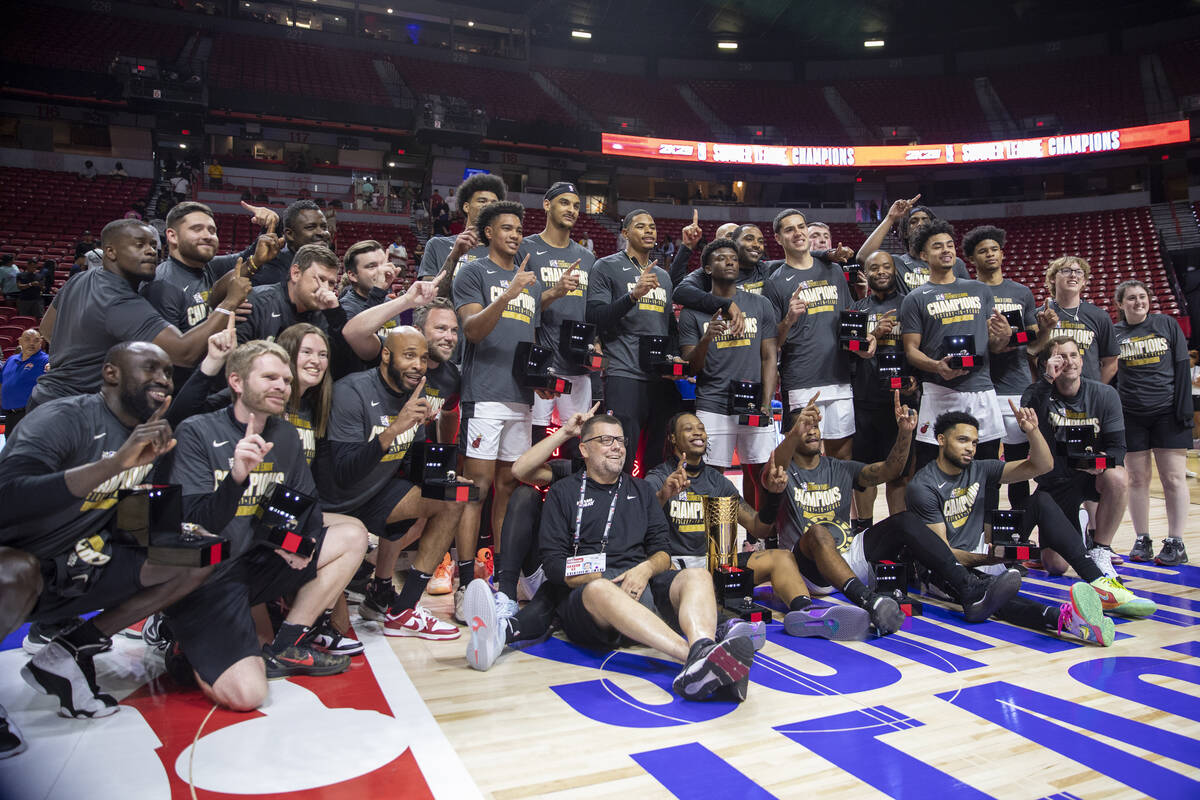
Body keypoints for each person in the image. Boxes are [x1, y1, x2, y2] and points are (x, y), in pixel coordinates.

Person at [0, 342, 213, 718]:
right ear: (111, 373)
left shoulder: (151, 436)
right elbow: (8, 497)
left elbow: (125, 521)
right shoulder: (63, 418)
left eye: (167, 372)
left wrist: (167, 524)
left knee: (199, 556)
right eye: (150, 368)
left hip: (75, 566)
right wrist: (114, 465)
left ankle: (69, 652)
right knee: (15, 570)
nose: (163, 379)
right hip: (18, 565)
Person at [164, 341, 368, 709]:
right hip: (208, 576)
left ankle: (285, 646)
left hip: (256, 561)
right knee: (249, 696)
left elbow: (308, 509)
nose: (282, 386)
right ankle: (181, 641)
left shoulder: (285, 436)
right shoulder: (197, 431)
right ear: (237, 382)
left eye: (286, 380)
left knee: (352, 535)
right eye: (270, 377)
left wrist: (291, 542)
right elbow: (194, 524)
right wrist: (237, 478)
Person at [511, 415, 756, 700]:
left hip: (641, 586)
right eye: (605, 440)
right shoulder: (563, 491)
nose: (616, 447)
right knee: (600, 589)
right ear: (584, 449)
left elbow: (663, 551)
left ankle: (703, 644)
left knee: (698, 576)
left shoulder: (640, 490)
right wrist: (599, 576)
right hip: (590, 599)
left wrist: (645, 569)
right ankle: (693, 656)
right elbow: (553, 566)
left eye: (620, 440)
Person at [909, 409, 1153, 630]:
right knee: (993, 596)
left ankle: (1100, 583)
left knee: (1041, 500)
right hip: (948, 570)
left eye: (974, 442)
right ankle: (1066, 621)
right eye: (962, 440)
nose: (970, 448)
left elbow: (1042, 465)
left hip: (985, 552)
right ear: (941, 440)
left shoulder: (980, 468)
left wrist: (1033, 431)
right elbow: (943, 553)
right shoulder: (924, 485)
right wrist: (994, 557)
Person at [644, 412, 870, 639]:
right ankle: (719, 623)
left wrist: (773, 496)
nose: (698, 432)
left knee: (781, 557)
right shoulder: (658, 477)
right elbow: (640, 522)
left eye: (701, 428)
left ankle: (806, 612)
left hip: (715, 565)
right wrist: (663, 495)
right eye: (688, 428)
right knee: (670, 576)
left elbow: (758, 527)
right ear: (673, 438)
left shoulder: (717, 482)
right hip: (675, 568)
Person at [318, 328, 466, 640]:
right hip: (337, 499)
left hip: (378, 494)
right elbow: (344, 472)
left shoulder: (417, 396)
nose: (418, 366)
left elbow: (413, 465)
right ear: (386, 355)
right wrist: (394, 429)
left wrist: (443, 478)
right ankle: (363, 584)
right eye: (409, 355)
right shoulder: (351, 391)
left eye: (423, 359)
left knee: (455, 496)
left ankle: (405, 608)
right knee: (340, 631)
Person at [31, 219, 252, 409]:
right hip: (76, 409)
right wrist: (229, 302)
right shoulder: (121, 302)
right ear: (110, 251)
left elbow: (47, 329)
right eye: (139, 245)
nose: (151, 251)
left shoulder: (81, 279)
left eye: (154, 245)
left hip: (45, 397)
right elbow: (185, 354)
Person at [452, 201, 550, 615]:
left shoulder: (529, 278)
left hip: (520, 398)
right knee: (475, 491)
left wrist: (541, 379)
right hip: (486, 395)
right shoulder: (473, 271)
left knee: (510, 487)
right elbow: (472, 331)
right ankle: (464, 580)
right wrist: (508, 295)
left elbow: (530, 339)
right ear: (489, 233)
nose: (514, 234)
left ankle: (502, 578)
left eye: (518, 228)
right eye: (506, 228)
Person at [1019, 338, 1156, 616]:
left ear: (1082, 361)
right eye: (1060, 357)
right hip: (1056, 482)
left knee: (1117, 477)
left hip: (1092, 476)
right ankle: (1080, 526)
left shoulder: (1104, 394)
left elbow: (1119, 448)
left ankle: (1101, 550)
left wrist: (1100, 463)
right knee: (1055, 566)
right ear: (1048, 364)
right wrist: (1047, 378)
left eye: (1073, 355)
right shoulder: (1037, 392)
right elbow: (1029, 414)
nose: (1068, 361)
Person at [900, 219, 1010, 468]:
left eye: (949, 245)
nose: (946, 250)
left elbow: (994, 344)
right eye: (938, 246)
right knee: (933, 467)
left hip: (981, 388)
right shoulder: (915, 299)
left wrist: (1003, 336)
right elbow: (911, 351)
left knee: (987, 468)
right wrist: (937, 366)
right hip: (940, 391)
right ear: (923, 255)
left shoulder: (980, 290)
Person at [963, 224, 1058, 510]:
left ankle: (1019, 531)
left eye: (994, 249)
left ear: (1002, 254)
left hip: (1014, 387)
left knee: (1019, 463)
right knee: (984, 463)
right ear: (971, 259)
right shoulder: (967, 292)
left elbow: (1033, 347)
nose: (990, 255)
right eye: (982, 251)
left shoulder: (1021, 292)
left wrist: (1046, 330)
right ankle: (985, 529)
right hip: (979, 386)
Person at [678, 238, 778, 498]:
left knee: (762, 475)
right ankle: (717, 539)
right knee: (712, 476)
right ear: (708, 269)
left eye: (733, 257)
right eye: (721, 258)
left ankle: (758, 539)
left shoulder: (760, 304)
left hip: (754, 402)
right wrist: (707, 338)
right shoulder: (692, 312)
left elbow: (769, 357)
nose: (730, 261)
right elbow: (691, 368)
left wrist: (766, 403)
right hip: (713, 403)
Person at [587, 209, 679, 473]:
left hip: (659, 379)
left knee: (658, 460)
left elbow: (669, 326)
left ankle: (649, 509)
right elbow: (595, 316)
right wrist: (633, 295)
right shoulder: (606, 267)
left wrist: (675, 357)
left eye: (652, 226)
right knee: (620, 457)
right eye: (640, 226)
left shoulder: (663, 276)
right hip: (624, 374)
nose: (649, 231)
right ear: (625, 233)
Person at [764, 209, 856, 458]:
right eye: (789, 229)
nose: (798, 233)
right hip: (802, 379)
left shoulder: (834, 271)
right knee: (803, 457)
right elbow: (774, 342)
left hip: (839, 376)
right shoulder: (775, 282)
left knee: (842, 458)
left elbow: (848, 319)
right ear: (777, 238)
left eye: (801, 227)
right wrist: (788, 319)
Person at [1111, 281, 1192, 566]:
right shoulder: (1115, 333)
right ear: (1120, 304)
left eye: (1142, 297)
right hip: (1130, 415)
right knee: (1137, 479)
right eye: (1131, 298)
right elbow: (1109, 375)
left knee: (1173, 478)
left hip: (1167, 413)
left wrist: (1184, 410)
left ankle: (1176, 541)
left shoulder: (1166, 324)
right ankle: (1142, 537)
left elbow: (1182, 365)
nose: (1138, 302)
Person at [523, 182, 597, 453]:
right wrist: (554, 291)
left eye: (576, 205)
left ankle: (567, 495)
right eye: (565, 203)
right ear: (547, 204)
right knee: (532, 440)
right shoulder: (526, 248)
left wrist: (596, 341)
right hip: (540, 361)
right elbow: (519, 307)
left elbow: (589, 310)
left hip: (576, 364)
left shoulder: (587, 258)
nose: (572, 210)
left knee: (577, 442)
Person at [849, 251, 918, 525]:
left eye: (886, 266)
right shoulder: (856, 310)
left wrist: (915, 381)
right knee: (864, 472)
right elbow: (847, 350)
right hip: (864, 401)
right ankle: (864, 531)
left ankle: (898, 531)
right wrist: (874, 335)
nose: (881, 271)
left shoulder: (911, 305)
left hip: (901, 403)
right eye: (874, 267)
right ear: (866, 273)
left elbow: (921, 346)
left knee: (900, 473)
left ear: (895, 270)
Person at [1027, 256, 1118, 384]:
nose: (1073, 275)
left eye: (1079, 272)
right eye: (1066, 271)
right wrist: (1038, 387)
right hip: (1048, 394)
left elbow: (1111, 362)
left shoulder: (1100, 317)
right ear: (1052, 278)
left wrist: (1095, 389)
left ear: (1084, 281)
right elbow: (1028, 356)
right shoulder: (1037, 315)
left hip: (1088, 396)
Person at [855, 196, 971, 294]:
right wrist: (890, 218)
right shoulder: (896, 263)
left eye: (925, 220)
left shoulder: (955, 263)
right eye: (913, 221)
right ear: (905, 232)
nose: (920, 224)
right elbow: (863, 257)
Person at [419, 173, 506, 296]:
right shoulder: (437, 245)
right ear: (466, 207)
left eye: (494, 203)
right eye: (482, 201)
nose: (488, 205)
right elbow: (428, 297)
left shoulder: (503, 253)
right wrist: (454, 256)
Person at [236, 243, 342, 344]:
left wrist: (336, 316)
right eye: (320, 279)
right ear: (296, 273)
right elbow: (236, 358)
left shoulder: (329, 314)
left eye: (331, 283)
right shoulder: (256, 303)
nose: (325, 288)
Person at [245, 199, 332, 287]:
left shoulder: (325, 266)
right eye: (311, 227)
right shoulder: (270, 270)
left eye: (324, 227)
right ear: (290, 234)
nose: (322, 233)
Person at [338, 240, 399, 334]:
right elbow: (358, 339)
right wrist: (378, 291)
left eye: (383, 264)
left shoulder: (390, 304)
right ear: (352, 275)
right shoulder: (344, 309)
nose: (381, 271)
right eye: (372, 266)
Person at [0, 329, 48, 433]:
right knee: (12, 448)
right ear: (20, 342)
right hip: (9, 416)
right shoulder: (11, 359)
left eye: (36, 340)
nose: (31, 343)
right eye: (27, 340)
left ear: (41, 343)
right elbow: (2, 382)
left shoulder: (46, 361)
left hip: (31, 416)